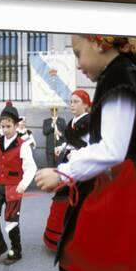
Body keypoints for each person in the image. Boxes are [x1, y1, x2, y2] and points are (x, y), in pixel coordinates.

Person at [35, 35, 136, 271]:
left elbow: (112, 149)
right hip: (131, 183)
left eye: (79, 52)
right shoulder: (125, 74)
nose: (78, 63)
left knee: (97, 265)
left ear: (99, 43)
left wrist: (63, 172)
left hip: (122, 189)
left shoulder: (119, 76)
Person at [0, 102, 37, 265]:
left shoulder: (23, 145)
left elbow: (31, 168)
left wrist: (23, 184)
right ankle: (0, 244)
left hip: (14, 187)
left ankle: (16, 250)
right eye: (3, 126)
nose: (5, 130)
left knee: (11, 221)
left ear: (16, 125)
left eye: (9, 126)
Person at [43, 89, 92, 252]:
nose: (72, 105)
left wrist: (76, 154)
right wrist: (61, 147)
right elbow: (70, 141)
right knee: (62, 197)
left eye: (76, 102)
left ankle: (74, 239)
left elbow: (92, 146)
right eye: (71, 101)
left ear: (86, 105)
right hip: (67, 162)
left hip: (79, 166)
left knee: (76, 200)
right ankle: (57, 236)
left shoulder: (89, 122)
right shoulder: (73, 121)